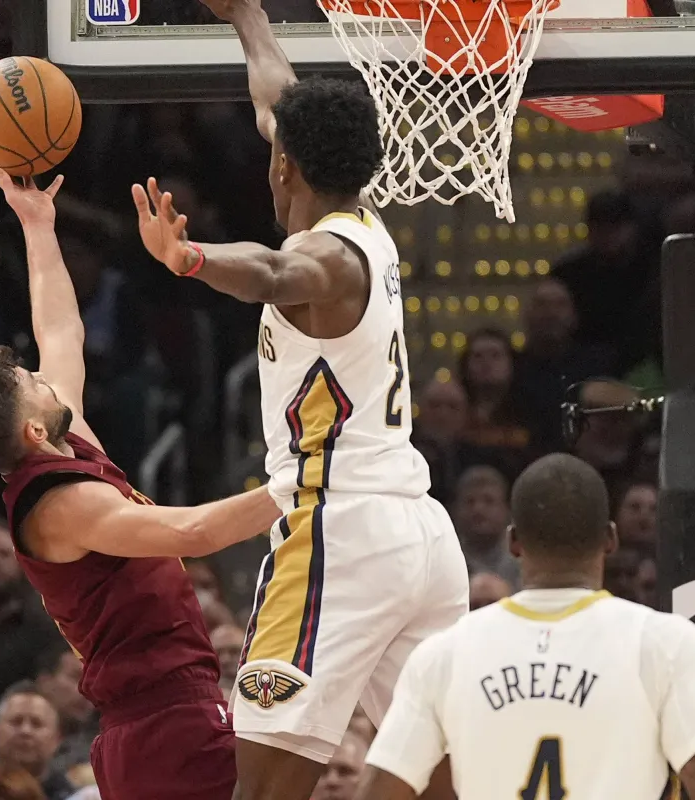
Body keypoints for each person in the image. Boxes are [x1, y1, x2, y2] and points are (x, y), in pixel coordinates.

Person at [131, 2, 469, 797]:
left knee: (259, 787)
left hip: (339, 533)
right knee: (451, 778)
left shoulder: (327, 259)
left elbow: (275, 272)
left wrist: (189, 258)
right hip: (419, 534)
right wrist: (247, 16)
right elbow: (277, 103)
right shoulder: (365, 221)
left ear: (283, 167)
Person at [0, 170, 283, 800]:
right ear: (32, 431)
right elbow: (195, 531)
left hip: (163, 722)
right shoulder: (59, 504)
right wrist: (302, 482)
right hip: (163, 726)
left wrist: (37, 224)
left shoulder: (63, 442)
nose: (44, 378)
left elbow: (60, 331)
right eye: (31, 384)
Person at [355, 454, 695, 800]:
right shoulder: (665, 643)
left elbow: (383, 788)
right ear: (610, 538)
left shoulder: (443, 653)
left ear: (513, 541)